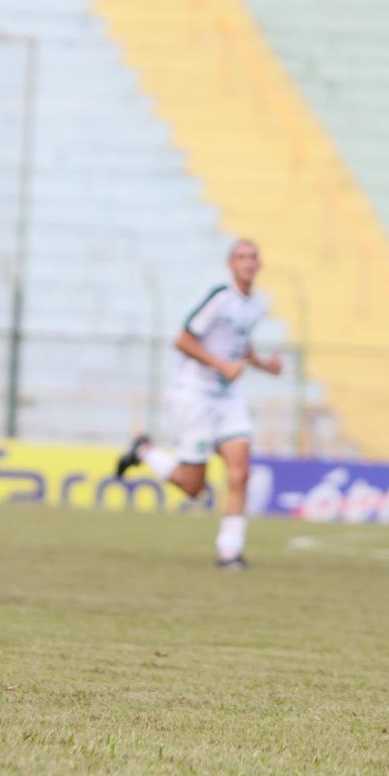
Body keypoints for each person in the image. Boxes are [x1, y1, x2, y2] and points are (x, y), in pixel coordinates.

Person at [115, 239, 282, 569]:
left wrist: (265, 366)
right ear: (230, 264)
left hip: (228, 398)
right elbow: (183, 340)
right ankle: (145, 450)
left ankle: (229, 552)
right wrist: (221, 366)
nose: (248, 262)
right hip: (194, 395)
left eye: (252, 257)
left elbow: (240, 345)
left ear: (260, 264)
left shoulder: (255, 306)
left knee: (240, 473)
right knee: (193, 487)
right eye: (241, 257)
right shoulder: (220, 298)